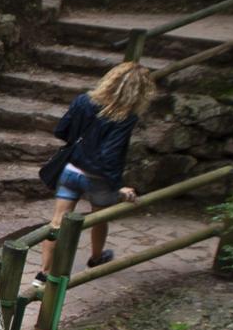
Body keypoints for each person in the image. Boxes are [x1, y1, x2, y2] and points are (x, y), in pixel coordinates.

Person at [38, 60, 158, 277]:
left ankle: (43, 273)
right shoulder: (126, 117)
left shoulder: (83, 101)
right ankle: (96, 257)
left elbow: (61, 130)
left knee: (57, 223)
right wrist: (117, 187)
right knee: (99, 219)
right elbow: (110, 155)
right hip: (98, 178)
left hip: (71, 170)